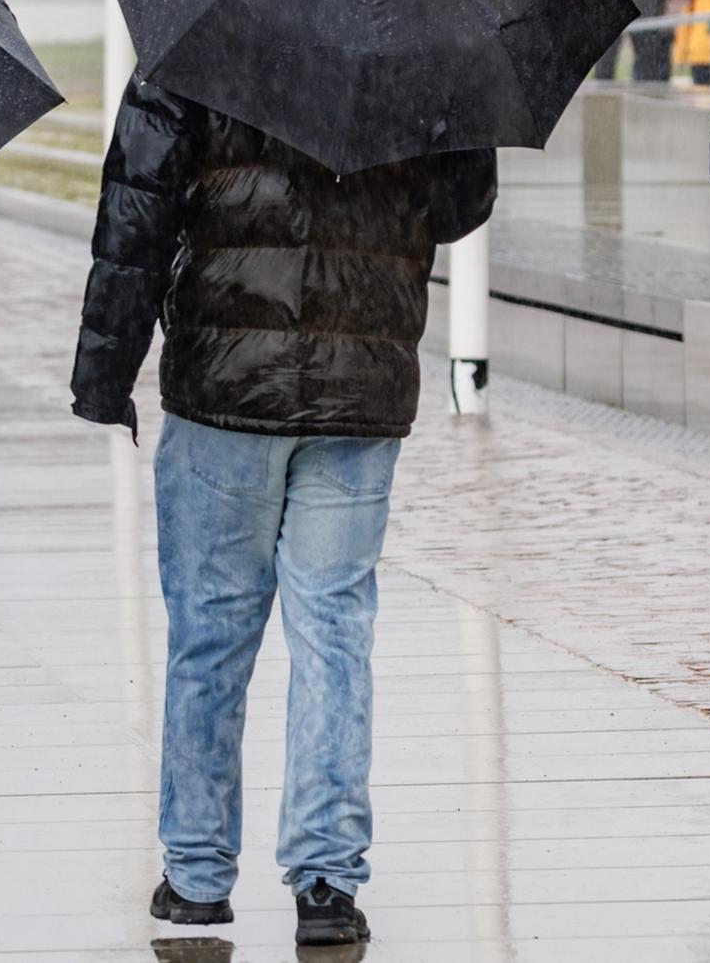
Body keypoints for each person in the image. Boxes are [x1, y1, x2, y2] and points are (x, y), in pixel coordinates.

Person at [71, 78, 495, 948]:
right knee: (335, 631)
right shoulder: (421, 41)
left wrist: (105, 374)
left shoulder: (194, 34)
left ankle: (195, 876)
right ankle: (327, 881)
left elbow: (137, 214)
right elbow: (460, 202)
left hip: (224, 381)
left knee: (210, 637)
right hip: (361, 381)